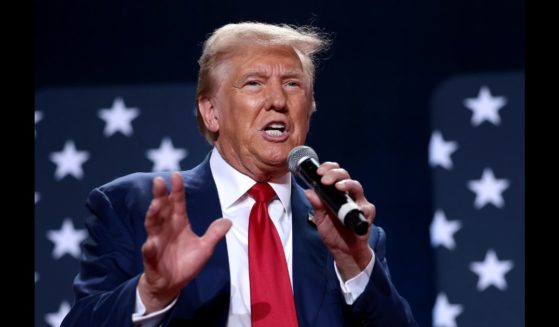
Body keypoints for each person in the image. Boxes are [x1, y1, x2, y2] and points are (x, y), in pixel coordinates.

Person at [62, 22, 417, 326]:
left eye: (293, 84)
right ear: (211, 112)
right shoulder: (136, 205)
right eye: (254, 83)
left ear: (309, 110)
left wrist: (354, 263)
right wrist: (152, 292)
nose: (278, 100)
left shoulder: (346, 228)